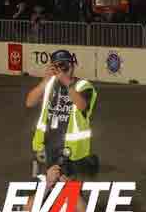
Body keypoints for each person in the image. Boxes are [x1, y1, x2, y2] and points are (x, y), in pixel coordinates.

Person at [25, 50, 98, 179]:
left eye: (64, 65)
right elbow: (29, 102)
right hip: (47, 148)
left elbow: (82, 105)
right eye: (57, 66)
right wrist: (44, 81)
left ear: (72, 66)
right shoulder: (49, 85)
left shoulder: (83, 86)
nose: (61, 70)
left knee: (71, 195)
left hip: (72, 154)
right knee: (44, 192)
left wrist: (67, 83)